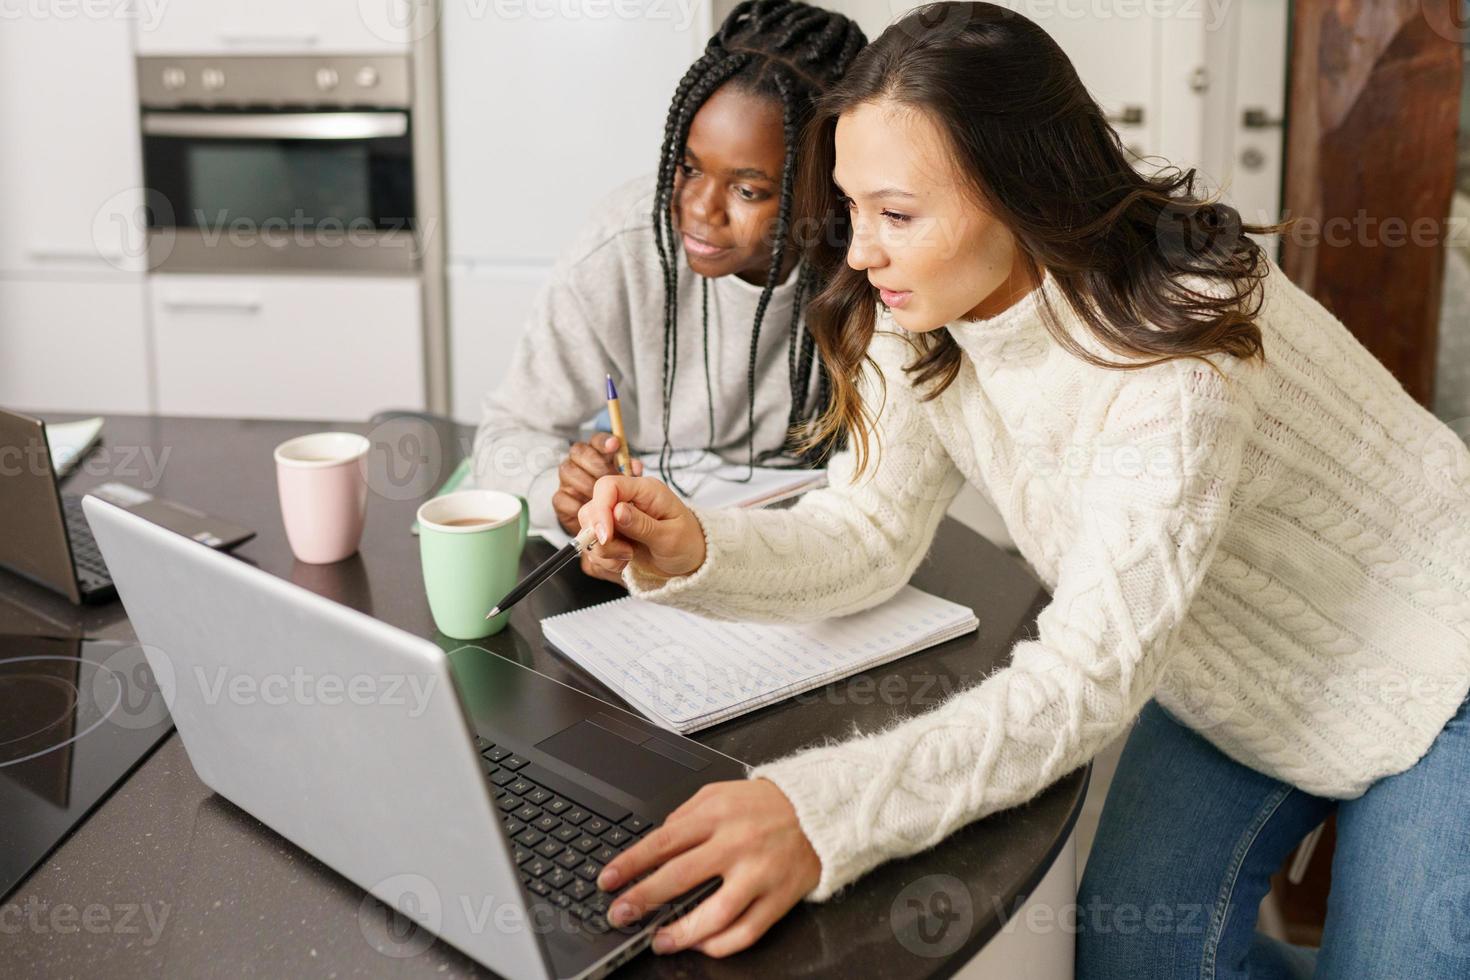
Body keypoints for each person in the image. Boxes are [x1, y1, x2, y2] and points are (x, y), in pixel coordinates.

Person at [571, 3, 1470, 974]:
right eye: (852, 205)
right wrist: (698, 547)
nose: (861, 250)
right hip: (1224, 664)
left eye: (898, 213)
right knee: (1127, 962)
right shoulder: (914, 307)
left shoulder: (1176, 359)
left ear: (1018, 190)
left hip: (1434, 651)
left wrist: (822, 809)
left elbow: (1082, 679)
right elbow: (869, 530)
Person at [472, 1, 866, 582]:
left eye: (749, 190)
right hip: (645, 566)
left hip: (798, 555)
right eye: (687, 167)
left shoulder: (868, 264)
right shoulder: (621, 248)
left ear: (822, 188)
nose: (700, 210)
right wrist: (562, 494)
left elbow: (880, 482)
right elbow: (507, 434)